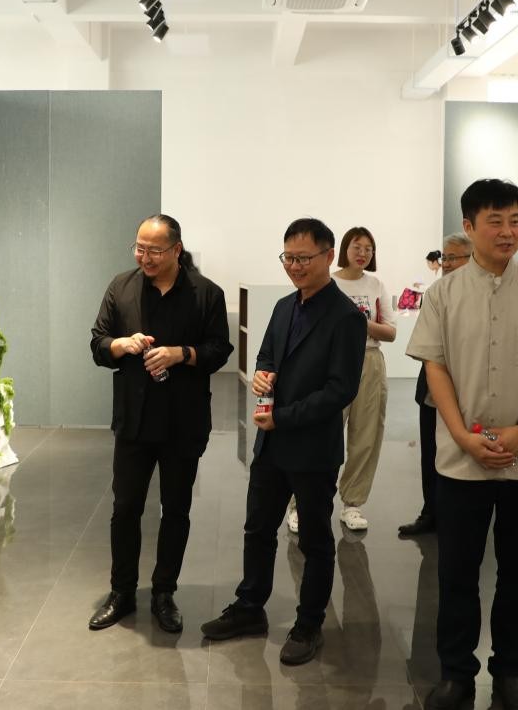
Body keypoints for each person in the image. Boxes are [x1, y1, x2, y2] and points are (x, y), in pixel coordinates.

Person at [406, 180, 518, 710]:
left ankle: (509, 671)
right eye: (495, 221)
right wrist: (462, 435)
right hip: (461, 461)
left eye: (515, 220)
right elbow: (435, 367)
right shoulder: (443, 294)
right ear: (469, 226)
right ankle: (456, 673)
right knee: (456, 573)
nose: (508, 231)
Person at [201, 217, 366, 666]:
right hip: (271, 445)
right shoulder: (283, 306)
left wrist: (283, 417)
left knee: (314, 540)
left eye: (303, 258)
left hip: (312, 448)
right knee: (258, 528)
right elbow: (267, 354)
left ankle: (309, 623)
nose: (294, 266)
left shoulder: (347, 318)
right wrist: (262, 374)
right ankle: (250, 607)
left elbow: (340, 390)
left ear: (328, 256)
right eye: (288, 258)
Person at [87, 215, 232, 633]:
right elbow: (98, 342)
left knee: (176, 510)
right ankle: (121, 592)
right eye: (139, 248)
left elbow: (219, 350)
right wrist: (120, 344)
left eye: (153, 250)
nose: (144, 257)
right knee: (125, 509)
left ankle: (164, 592)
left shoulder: (207, 294)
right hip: (134, 419)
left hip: (184, 421)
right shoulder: (121, 287)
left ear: (176, 250)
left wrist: (180, 354)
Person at [286, 227, 394, 534]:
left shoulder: (376, 285)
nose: (363, 253)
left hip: (369, 361)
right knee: (319, 432)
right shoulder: (328, 283)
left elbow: (390, 332)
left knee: (366, 436)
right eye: (357, 247)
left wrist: (357, 321)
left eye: (369, 249)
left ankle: (353, 503)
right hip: (330, 362)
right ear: (343, 249)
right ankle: (299, 504)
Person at [399, 233, 471, 538]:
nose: (447, 264)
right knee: (429, 454)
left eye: (453, 258)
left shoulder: (479, 296)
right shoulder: (436, 293)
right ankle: (430, 513)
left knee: (461, 455)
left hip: (466, 392)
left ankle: (458, 518)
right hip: (431, 391)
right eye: (445, 258)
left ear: (471, 258)